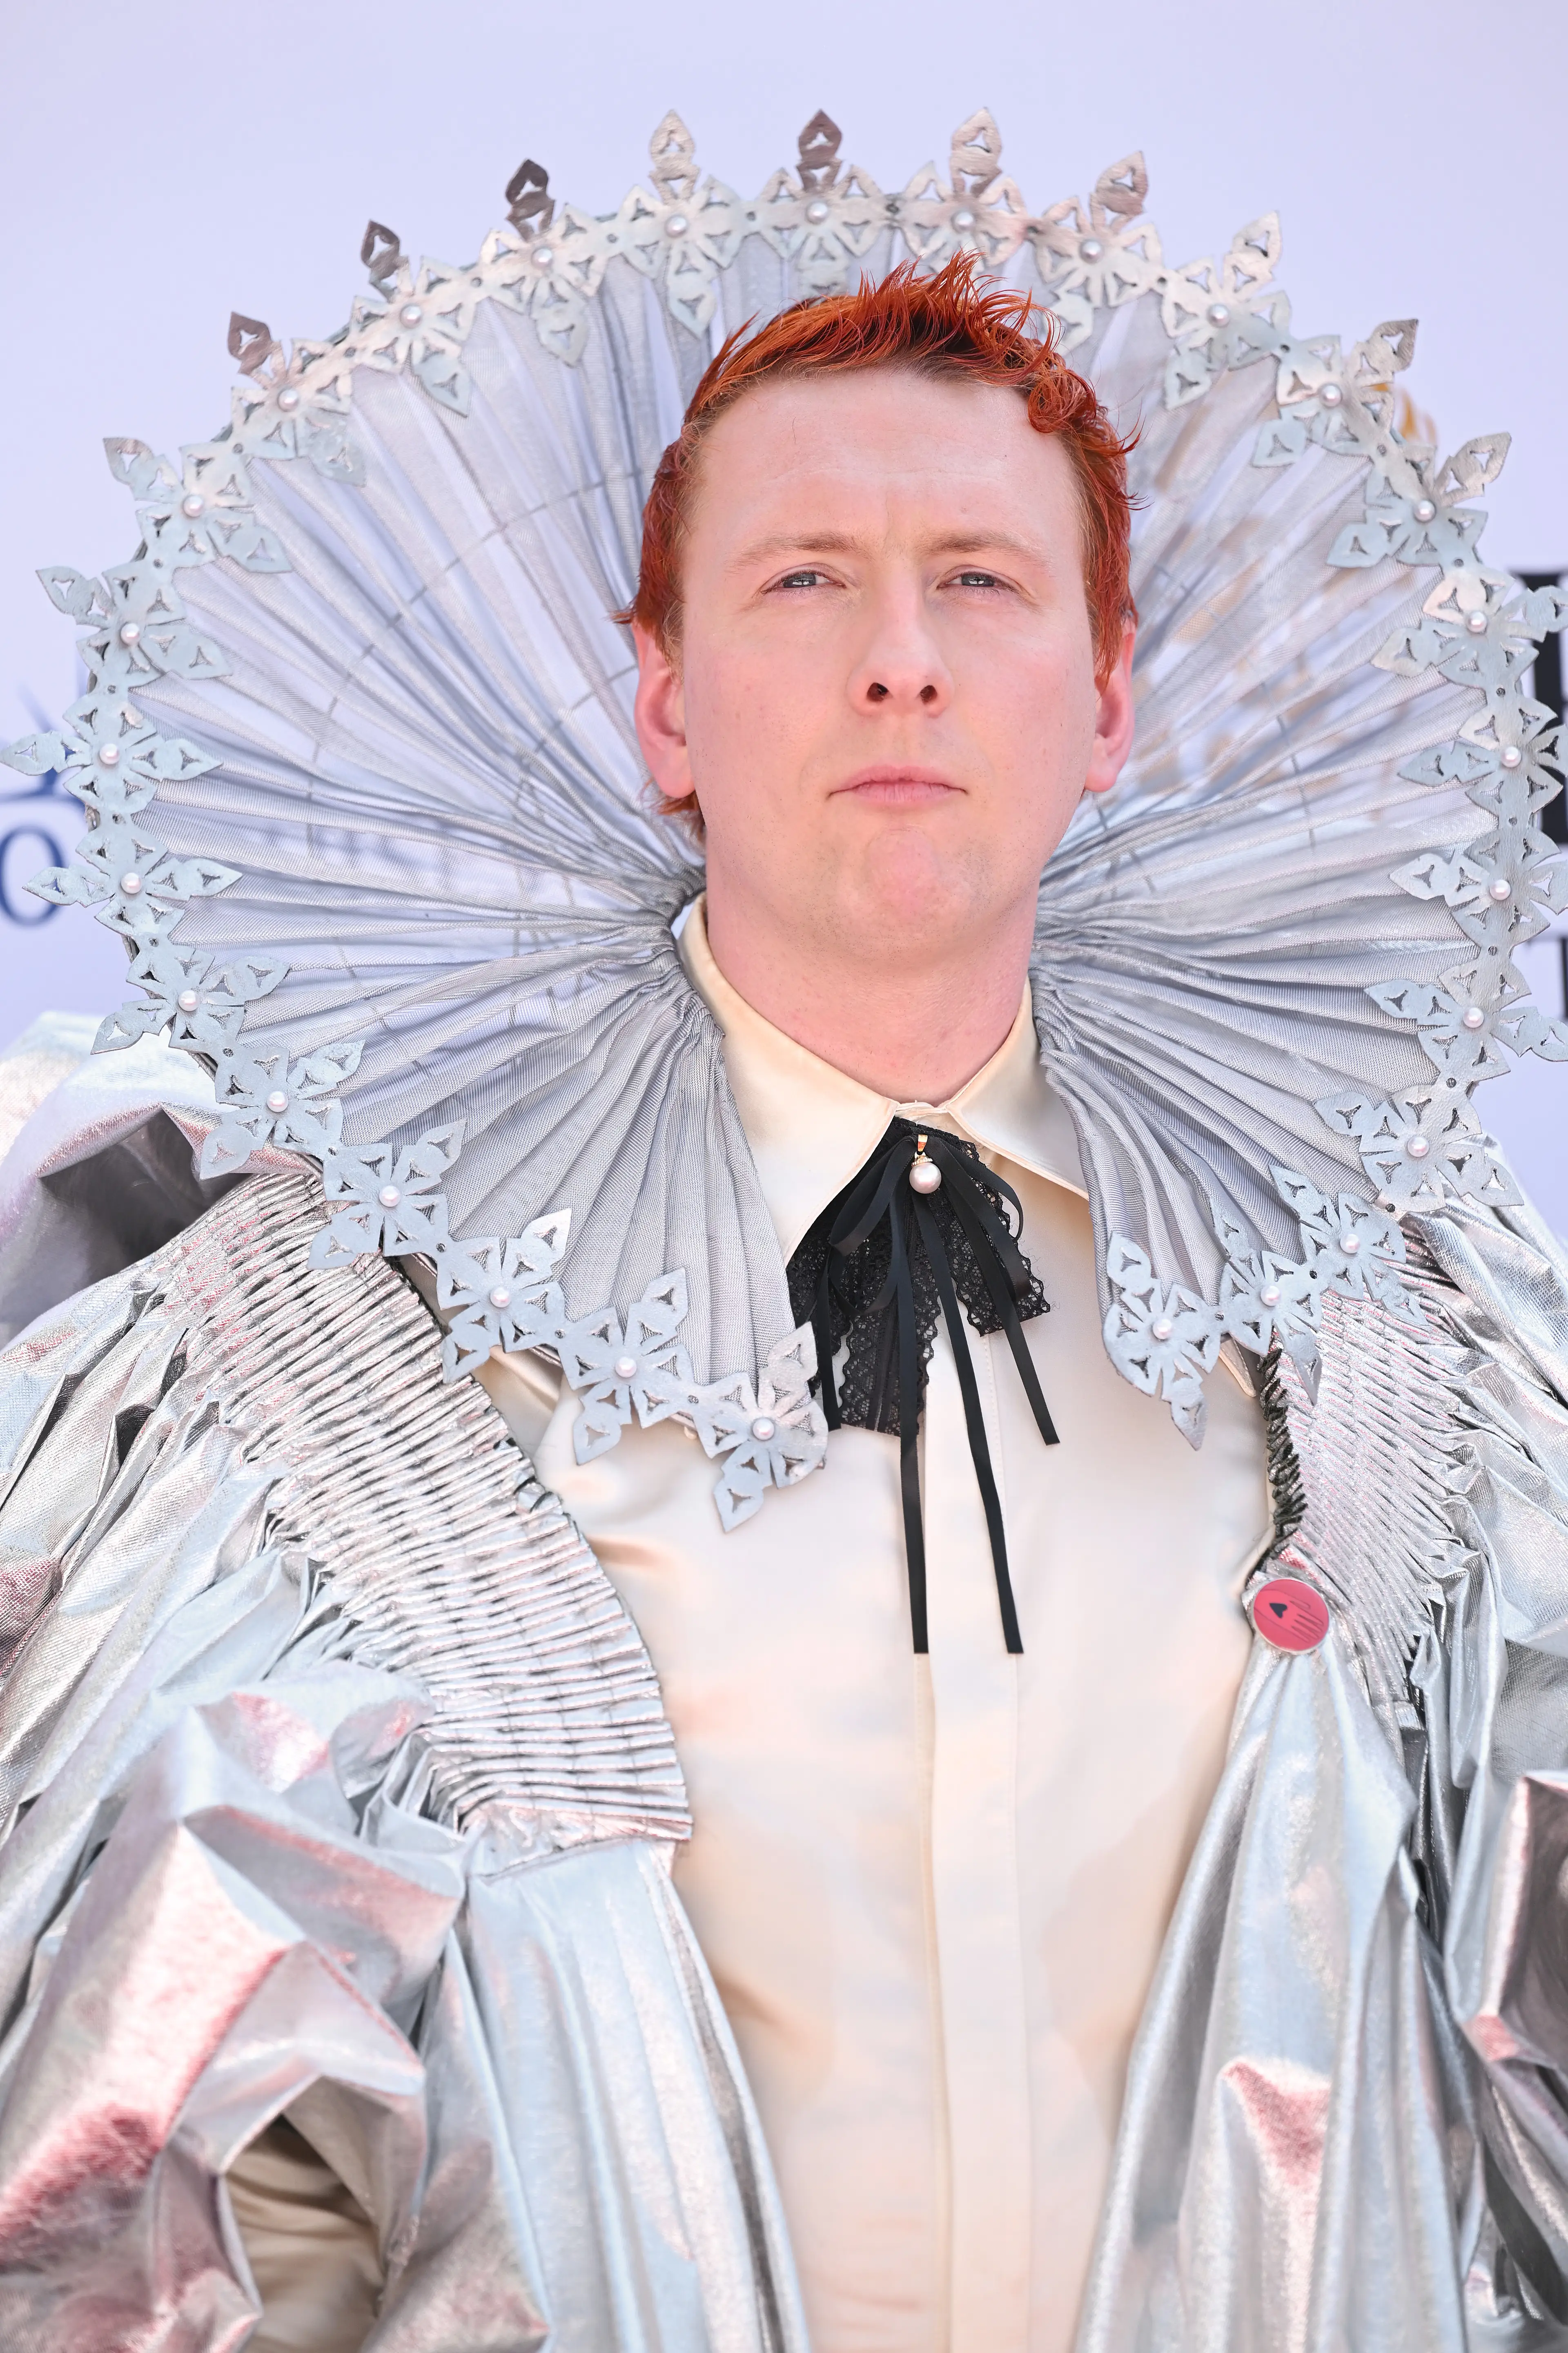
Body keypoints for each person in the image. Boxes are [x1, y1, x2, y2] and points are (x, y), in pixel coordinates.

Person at [1, 107, 1566, 2353]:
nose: (901, 659)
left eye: (986, 583)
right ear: (665, 701)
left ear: (1107, 704)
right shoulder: (335, 1362)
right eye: (807, 579)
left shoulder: (1402, 1355)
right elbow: (161, 2183)